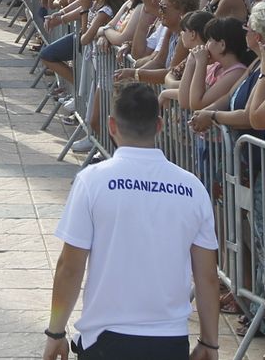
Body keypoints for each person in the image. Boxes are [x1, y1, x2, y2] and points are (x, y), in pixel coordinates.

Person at [45, 83, 220, 359]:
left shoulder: (92, 181)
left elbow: (70, 265)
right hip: (169, 341)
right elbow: (207, 276)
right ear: (159, 125)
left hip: (106, 340)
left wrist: (55, 331)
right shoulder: (193, 187)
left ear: (112, 125)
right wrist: (210, 342)